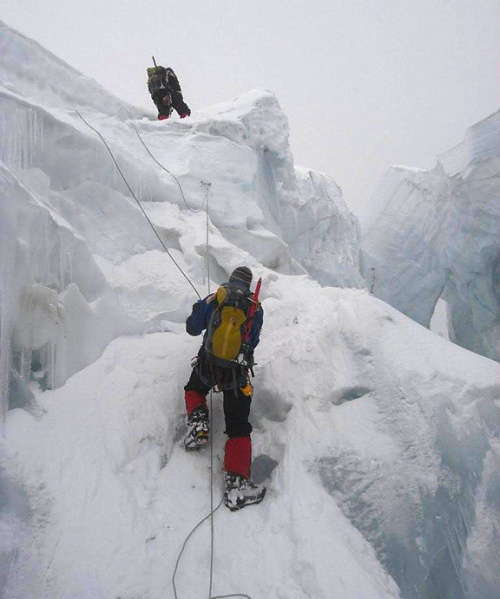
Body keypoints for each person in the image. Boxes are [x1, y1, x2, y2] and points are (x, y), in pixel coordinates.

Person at [184, 266, 266, 511]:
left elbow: (192, 327)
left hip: (208, 364)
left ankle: (198, 422)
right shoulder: (255, 307)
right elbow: (253, 341)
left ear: (231, 279)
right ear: (249, 285)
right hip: (236, 372)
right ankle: (237, 484)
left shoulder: (217, 295)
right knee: (238, 426)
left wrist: (200, 309)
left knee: (194, 388)